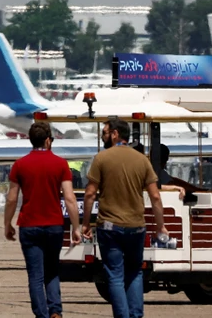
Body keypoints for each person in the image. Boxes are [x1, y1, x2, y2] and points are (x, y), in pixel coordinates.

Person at [83, 118, 168, 318]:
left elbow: (89, 194)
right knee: (135, 272)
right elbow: (155, 196)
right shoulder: (142, 160)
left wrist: (86, 223)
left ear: (114, 134)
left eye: (104, 132)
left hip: (110, 227)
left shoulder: (102, 159)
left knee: (114, 275)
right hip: (136, 226)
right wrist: (161, 227)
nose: (103, 136)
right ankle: (136, 315)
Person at [4, 122, 81, 318]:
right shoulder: (60, 164)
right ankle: (55, 310)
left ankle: (41, 314)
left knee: (35, 275)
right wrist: (76, 227)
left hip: (29, 224)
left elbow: (12, 198)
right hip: (54, 224)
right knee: (52, 270)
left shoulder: (20, 165)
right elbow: (70, 198)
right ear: (48, 140)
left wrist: (8, 224)